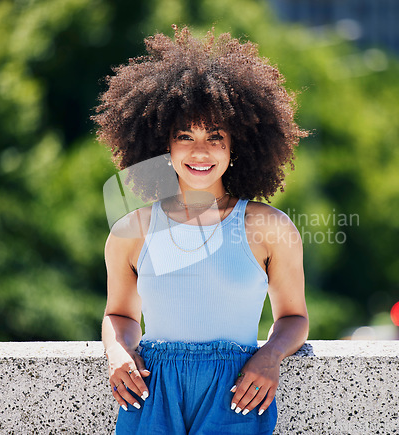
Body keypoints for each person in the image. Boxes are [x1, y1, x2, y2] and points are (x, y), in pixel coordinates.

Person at [92, 25, 309, 435]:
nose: (200, 151)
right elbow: (118, 314)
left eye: (215, 137)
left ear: (235, 146)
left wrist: (271, 356)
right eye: (183, 136)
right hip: (152, 390)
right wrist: (116, 352)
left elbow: (295, 317)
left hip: (238, 389)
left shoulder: (268, 227)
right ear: (164, 148)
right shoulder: (131, 230)